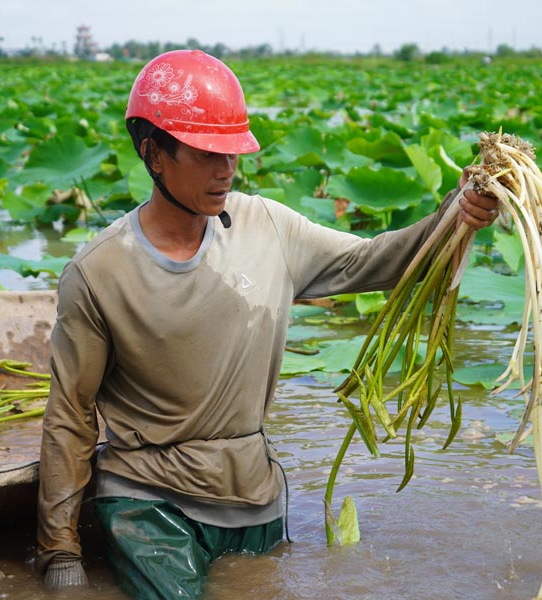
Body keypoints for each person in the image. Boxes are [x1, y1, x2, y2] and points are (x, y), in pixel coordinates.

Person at [36, 49, 499, 599]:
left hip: (252, 492)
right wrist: (60, 553)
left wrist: (456, 212)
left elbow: (374, 260)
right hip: (148, 497)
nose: (225, 169)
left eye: (231, 153)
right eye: (207, 153)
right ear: (153, 154)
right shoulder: (98, 273)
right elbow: (69, 416)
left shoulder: (267, 228)